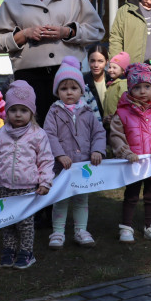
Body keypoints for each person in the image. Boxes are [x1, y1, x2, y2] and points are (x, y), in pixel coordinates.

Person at [0, 81, 54, 270]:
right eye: (13, 110)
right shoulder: (0, 135)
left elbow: (45, 160)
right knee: (7, 222)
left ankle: (26, 253)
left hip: (28, 188)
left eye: (23, 110)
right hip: (5, 187)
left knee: (25, 223)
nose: (18, 114)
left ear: (32, 113)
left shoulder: (38, 134)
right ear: (7, 112)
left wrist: (45, 181)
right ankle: (8, 251)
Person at [109, 63, 151, 244]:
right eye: (137, 87)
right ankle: (126, 227)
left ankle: (150, 226)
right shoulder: (122, 113)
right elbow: (116, 135)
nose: (143, 91)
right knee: (131, 196)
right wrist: (125, 152)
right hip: (133, 163)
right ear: (130, 89)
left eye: (147, 86)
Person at [43, 57, 106, 249]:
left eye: (73, 88)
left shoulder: (87, 111)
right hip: (62, 166)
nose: (69, 92)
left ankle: (81, 230)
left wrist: (97, 150)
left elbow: (99, 132)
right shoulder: (53, 111)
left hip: (83, 165)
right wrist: (60, 155)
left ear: (81, 90)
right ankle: (58, 232)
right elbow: (49, 135)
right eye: (64, 88)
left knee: (81, 200)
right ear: (57, 92)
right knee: (60, 199)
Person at [102, 51, 131, 125]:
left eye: (114, 67)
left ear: (123, 70)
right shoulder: (111, 84)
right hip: (109, 122)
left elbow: (125, 104)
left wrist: (116, 117)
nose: (110, 70)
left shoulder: (122, 83)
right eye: (110, 67)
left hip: (118, 123)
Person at [84, 45, 108, 124]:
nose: (96, 65)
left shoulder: (114, 81)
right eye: (92, 61)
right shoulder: (83, 82)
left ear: (106, 62)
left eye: (100, 61)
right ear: (88, 61)